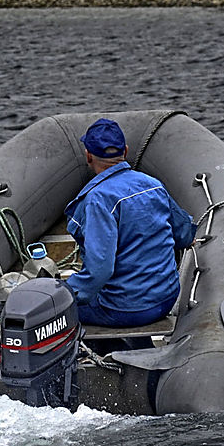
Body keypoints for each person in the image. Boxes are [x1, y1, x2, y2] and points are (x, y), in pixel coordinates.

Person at [64, 118, 197, 328]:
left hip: (124, 309)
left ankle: (103, 353)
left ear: (88, 156)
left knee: (62, 311)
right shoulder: (153, 185)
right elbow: (183, 234)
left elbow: (100, 271)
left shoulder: (97, 200)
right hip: (167, 298)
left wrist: (63, 291)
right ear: (125, 150)